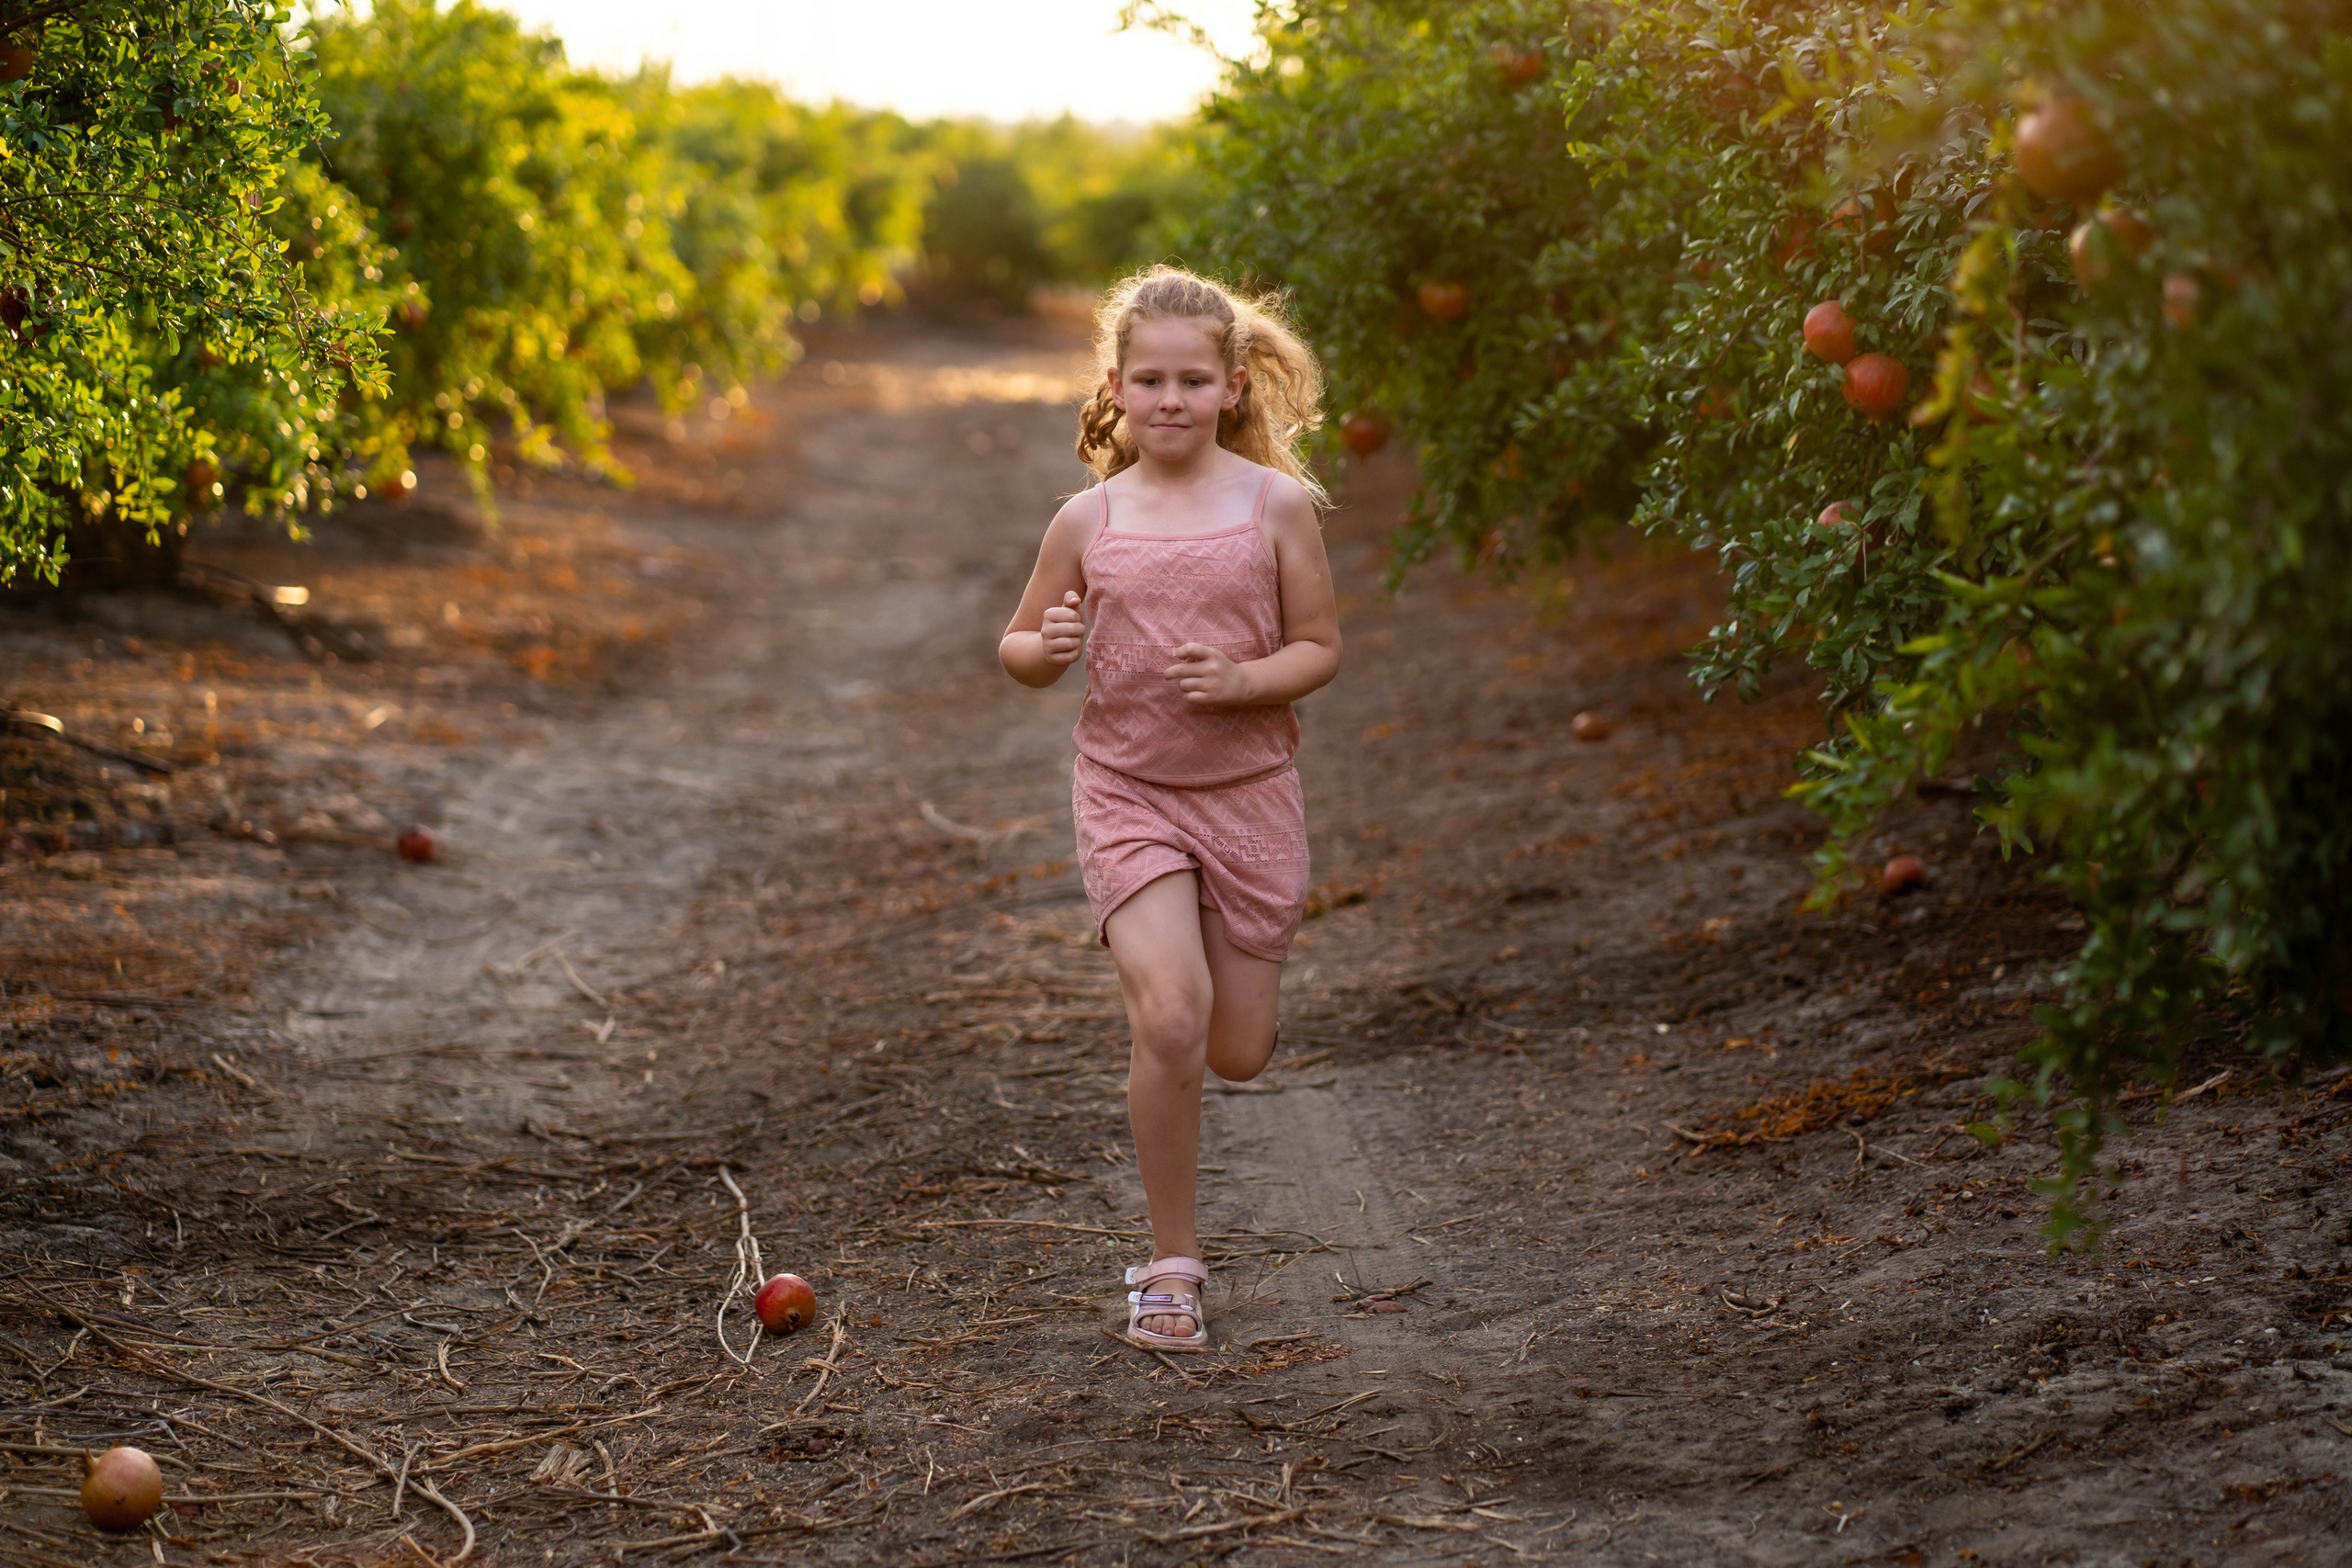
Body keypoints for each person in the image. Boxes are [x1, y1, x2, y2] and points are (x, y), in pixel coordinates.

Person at [999, 266, 1341, 1351]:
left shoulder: (1273, 506)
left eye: (1194, 380)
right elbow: (1018, 645)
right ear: (1115, 386)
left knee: (1236, 1049)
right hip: (1128, 792)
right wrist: (1041, 652)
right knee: (1169, 1017)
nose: (1170, 400)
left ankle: (1201, 966)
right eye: (1148, 379)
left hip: (1248, 800)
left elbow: (1319, 648)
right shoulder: (1087, 517)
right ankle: (1171, 1266)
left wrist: (1247, 682)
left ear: (1234, 387)